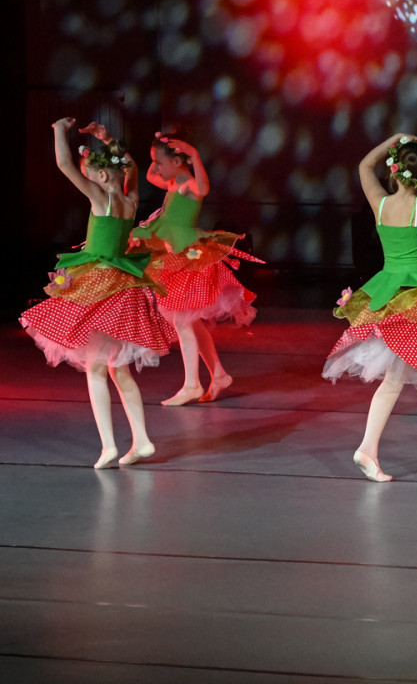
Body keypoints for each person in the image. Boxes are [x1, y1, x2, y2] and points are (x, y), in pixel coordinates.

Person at [323, 130, 417, 483]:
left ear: (394, 169)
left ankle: (368, 448)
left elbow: (365, 165)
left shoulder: (379, 202)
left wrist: (394, 138)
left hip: (392, 299)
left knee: (393, 380)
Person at [20, 118, 173, 467]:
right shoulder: (131, 200)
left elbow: (63, 164)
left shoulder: (100, 198)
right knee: (119, 369)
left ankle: (108, 446)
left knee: (96, 369)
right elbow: (131, 167)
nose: (85, 178)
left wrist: (58, 130)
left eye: (88, 174)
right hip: (125, 287)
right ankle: (142, 440)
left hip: (100, 286)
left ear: (102, 176)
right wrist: (107, 139)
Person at [131, 130, 260, 406]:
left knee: (183, 320)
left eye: (161, 162)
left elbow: (204, 188)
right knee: (189, 320)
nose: (157, 168)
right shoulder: (171, 184)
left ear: (178, 162)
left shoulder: (189, 185)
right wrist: (157, 147)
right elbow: (152, 175)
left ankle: (192, 384)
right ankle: (219, 375)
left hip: (189, 256)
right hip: (174, 256)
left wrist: (194, 155)